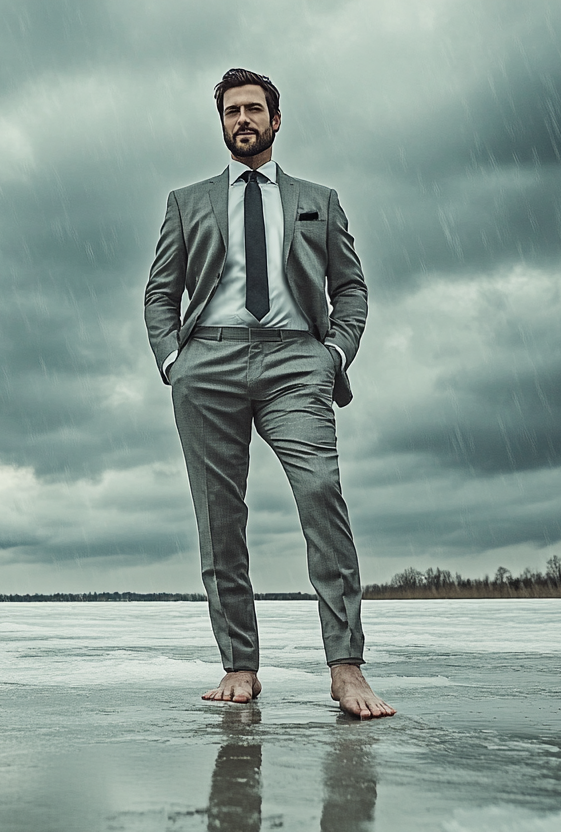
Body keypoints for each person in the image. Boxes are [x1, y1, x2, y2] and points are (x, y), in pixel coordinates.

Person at [144, 68, 394, 719]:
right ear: (222, 122)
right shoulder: (186, 202)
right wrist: (176, 361)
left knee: (320, 493)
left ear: (276, 121)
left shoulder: (320, 199)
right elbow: (160, 291)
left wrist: (334, 353)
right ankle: (240, 665)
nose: (242, 120)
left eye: (254, 109)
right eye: (231, 111)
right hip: (210, 363)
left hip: (295, 362)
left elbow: (353, 290)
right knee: (220, 520)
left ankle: (345, 668)